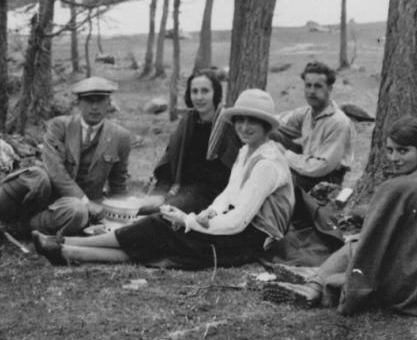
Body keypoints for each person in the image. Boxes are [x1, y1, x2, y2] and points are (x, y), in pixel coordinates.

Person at [263, 117, 417, 316]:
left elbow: (372, 245)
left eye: (403, 151)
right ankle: (316, 276)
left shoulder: (398, 187)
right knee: (358, 244)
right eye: (390, 150)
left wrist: (352, 286)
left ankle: (315, 285)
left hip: (409, 286)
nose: (395, 158)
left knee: (356, 244)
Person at [32, 89, 294, 269]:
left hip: (248, 240)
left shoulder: (267, 164)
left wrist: (189, 221)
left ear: (267, 127)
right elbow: (228, 195)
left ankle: (69, 243)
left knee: (164, 233)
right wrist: (208, 214)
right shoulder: (247, 150)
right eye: (240, 120)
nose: (245, 127)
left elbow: (238, 220)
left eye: (253, 122)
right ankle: (67, 251)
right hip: (232, 229)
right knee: (160, 236)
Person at [0, 76, 133, 236]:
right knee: (36, 175)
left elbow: (118, 184)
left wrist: (122, 215)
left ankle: (16, 228)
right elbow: (56, 171)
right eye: (90, 100)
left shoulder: (120, 137)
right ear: (79, 103)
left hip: (72, 208)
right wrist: (86, 202)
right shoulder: (59, 126)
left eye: (101, 100)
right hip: (44, 198)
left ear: (109, 103)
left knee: (77, 211)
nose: (95, 107)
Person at [145, 70, 241, 213]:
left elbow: (227, 173)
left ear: (215, 93)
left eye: (205, 91)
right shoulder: (187, 122)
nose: (199, 97)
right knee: (142, 208)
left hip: (210, 194)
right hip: (181, 188)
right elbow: (170, 160)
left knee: (161, 212)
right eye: (194, 91)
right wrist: (160, 192)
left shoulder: (227, 125)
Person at [275, 61, 355, 192]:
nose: (311, 91)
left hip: (324, 178)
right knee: (266, 131)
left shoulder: (338, 122)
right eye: (308, 85)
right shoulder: (308, 113)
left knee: (275, 179)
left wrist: (285, 155)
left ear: (329, 89)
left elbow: (321, 166)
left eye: (318, 86)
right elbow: (278, 122)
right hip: (305, 165)